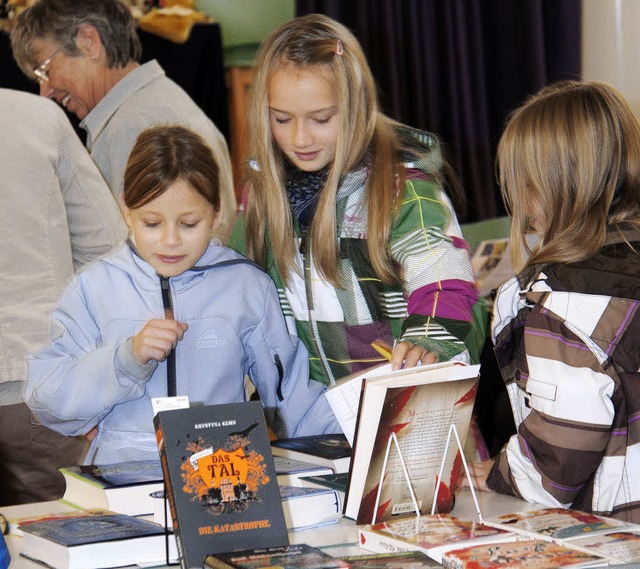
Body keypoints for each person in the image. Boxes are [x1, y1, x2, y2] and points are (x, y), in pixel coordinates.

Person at [26, 125, 341, 466]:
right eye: (151, 223)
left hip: (222, 480)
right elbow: (49, 403)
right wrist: (125, 360)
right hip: (123, 483)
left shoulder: (247, 286)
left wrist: (363, 437)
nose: (171, 240)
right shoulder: (92, 287)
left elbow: (294, 399)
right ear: (125, 210)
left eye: (189, 223)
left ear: (217, 213)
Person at [229, 14, 485, 386]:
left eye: (321, 118)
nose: (300, 139)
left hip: (405, 411)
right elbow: (233, 286)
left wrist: (427, 335)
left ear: (355, 105)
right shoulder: (259, 198)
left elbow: (443, 275)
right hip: (314, 420)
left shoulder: (403, 189)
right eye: (282, 120)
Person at [466, 81, 640, 523]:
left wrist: (509, 477)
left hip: (612, 529)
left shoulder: (561, 300)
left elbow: (566, 439)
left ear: (552, 187)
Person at [9, 0, 236, 243]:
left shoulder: (135, 129)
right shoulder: (149, 104)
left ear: (89, 43)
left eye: (44, 71)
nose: (45, 92)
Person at [0, 88, 127, 505]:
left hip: (36, 385)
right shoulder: (37, 117)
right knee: (59, 546)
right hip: (36, 382)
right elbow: (108, 248)